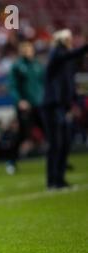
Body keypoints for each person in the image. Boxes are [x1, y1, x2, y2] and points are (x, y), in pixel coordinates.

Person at [42, 29, 88, 189]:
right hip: (52, 106)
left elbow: (69, 83)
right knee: (56, 143)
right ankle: (52, 180)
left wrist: (74, 102)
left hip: (63, 106)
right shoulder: (57, 54)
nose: (71, 41)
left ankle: (60, 179)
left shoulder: (67, 63)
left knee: (65, 143)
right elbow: (70, 55)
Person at [7, 41, 44, 174]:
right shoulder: (17, 66)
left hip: (39, 104)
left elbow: (43, 83)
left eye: (30, 49)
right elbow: (12, 86)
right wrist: (19, 101)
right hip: (25, 106)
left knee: (50, 132)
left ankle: (58, 160)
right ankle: (11, 161)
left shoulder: (37, 65)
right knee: (22, 134)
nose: (28, 52)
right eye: (26, 49)